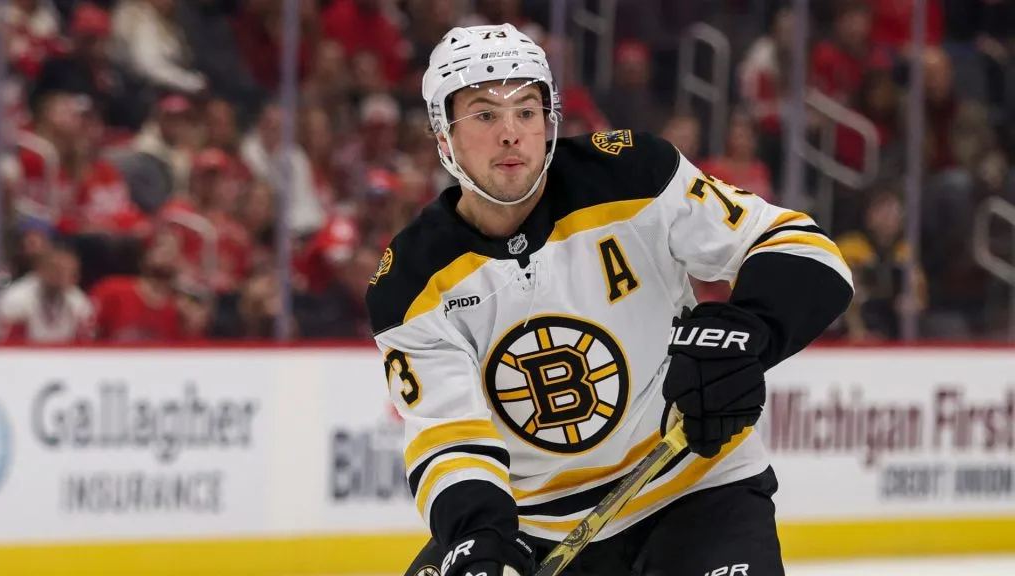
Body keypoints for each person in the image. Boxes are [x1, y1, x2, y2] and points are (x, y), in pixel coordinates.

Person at [364, 24, 854, 576]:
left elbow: (804, 249)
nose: (511, 133)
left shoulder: (632, 176)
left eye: (527, 111)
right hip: (535, 532)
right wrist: (478, 534)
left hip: (697, 490)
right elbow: (449, 438)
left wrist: (747, 333)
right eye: (484, 114)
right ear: (442, 136)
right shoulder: (411, 283)